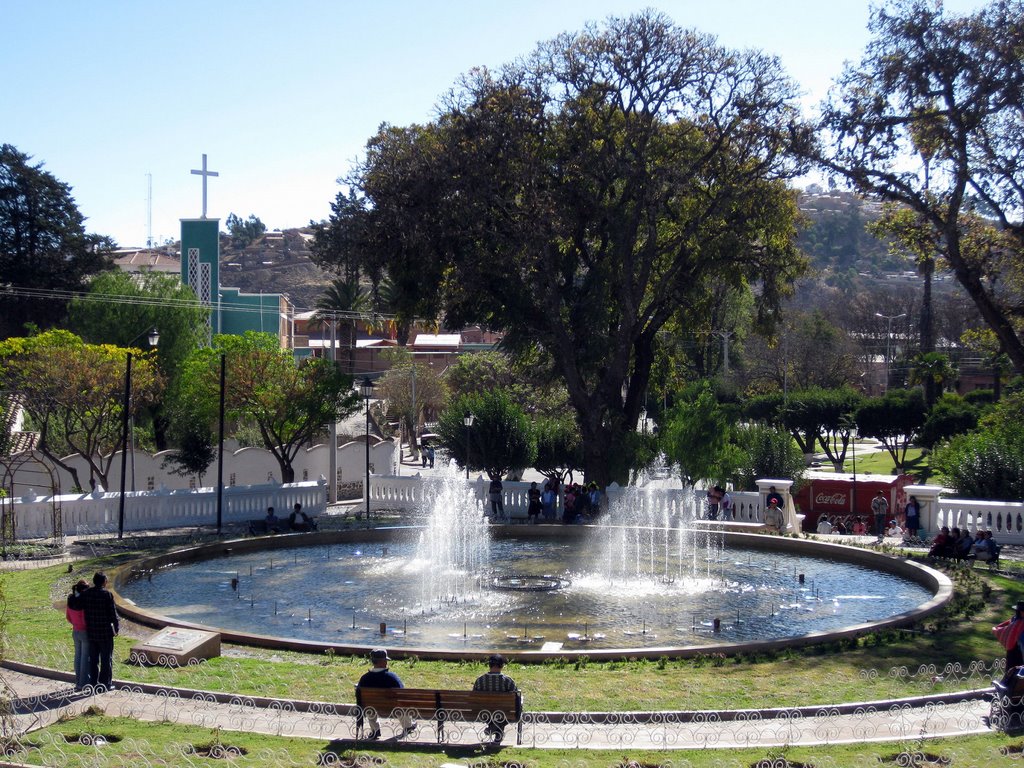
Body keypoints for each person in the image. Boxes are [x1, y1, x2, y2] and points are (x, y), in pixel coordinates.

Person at [67, 571, 119, 691]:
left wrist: (72, 595)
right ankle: (105, 683)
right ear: (104, 582)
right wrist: (116, 629)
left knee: (93, 659)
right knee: (106, 659)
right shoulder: (107, 595)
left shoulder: (87, 594)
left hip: (91, 632)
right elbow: (113, 614)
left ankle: (94, 682)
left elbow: (77, 604)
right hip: (105, 633)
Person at [357, 649, 415, 739]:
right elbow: (402, 693)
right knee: (402, 703)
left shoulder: (364, 678)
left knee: (369, 705)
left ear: (373, 662)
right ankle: (407, 726)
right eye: (386, 661)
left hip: (372, 708)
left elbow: (359, 696)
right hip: (393, 709)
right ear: (383, 662)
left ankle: (375, 730)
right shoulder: (392, 677)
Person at [472, 653, 517, 744]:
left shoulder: (480, 680)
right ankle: (496, 729)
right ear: (502, 665)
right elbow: (516, 698)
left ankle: (493, 726)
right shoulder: (508, 681)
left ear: (489, 665)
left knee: (492, 712)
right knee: (509, 711)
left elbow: (474, 698)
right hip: (504, 713)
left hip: (484, 713)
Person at [65, 579, 90, 691]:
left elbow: (68, 617)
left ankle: (78, 681)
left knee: (77, 656)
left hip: (75, 631)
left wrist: (75, 624)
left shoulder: (71, 600)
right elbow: (86, 619)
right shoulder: (85, 601)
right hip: (85, 632)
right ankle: (83, 683)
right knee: (85, 657)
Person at [994, 602, 1024, 675]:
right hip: (1016, 652)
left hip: (1014, 651)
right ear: (1020, 612)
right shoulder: (1016, 622)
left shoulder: (1014, 620)